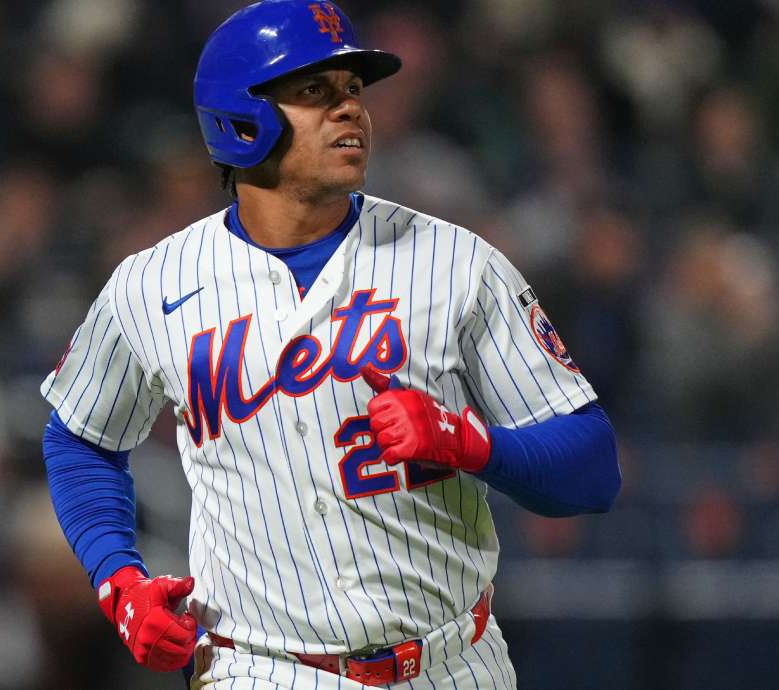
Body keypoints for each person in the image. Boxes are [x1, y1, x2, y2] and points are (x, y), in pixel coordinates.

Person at [39, 1, 620, 687]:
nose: (350, 110)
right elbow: (80, 438)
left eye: (353, 90)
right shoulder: (151, 285)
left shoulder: (457, 264)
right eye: (314, 91)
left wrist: (470, 444)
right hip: (259, 668)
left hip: (449, 661)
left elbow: (593, 468)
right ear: (239, 116)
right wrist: (118, 579)